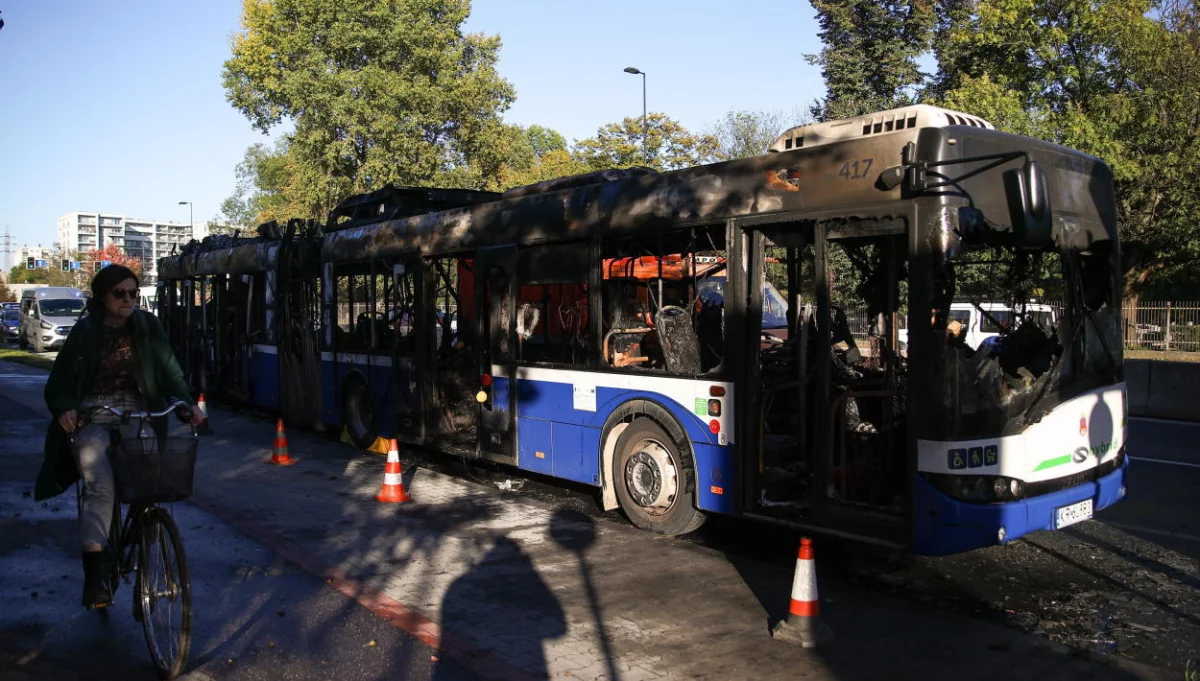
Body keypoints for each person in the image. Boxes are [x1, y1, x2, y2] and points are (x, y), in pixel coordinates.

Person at [35, 265, 201, 610]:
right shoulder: (84, 333)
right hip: (93, 416)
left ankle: (146, 566)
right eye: (119, 293)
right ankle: (96, 580)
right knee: (100, 486)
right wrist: (66, 409)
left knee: (151, 484)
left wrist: (185, 403)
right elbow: (59, 386)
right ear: (102, 297)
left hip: (139, 413)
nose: (128, 300)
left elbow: (169, 370)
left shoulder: (147, 325)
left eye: (133, 293)